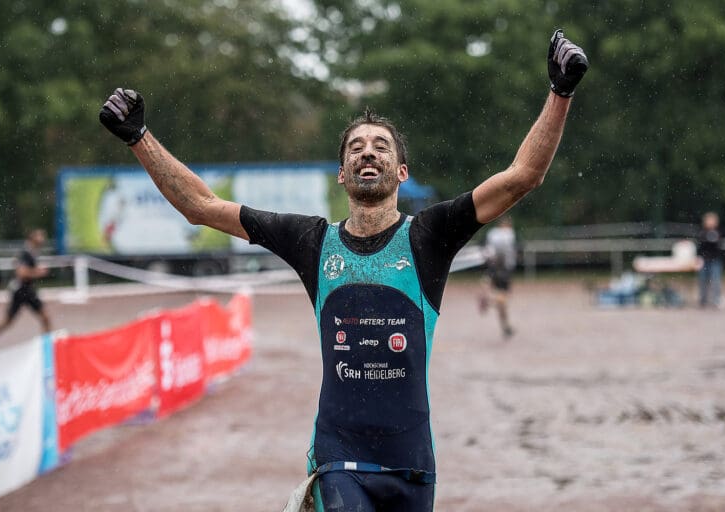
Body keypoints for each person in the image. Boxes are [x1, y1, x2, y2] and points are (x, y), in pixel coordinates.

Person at [99, 29, 588, 512]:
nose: (368, 152)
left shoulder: (430, 235)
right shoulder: (311, 241)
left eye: (380, 146)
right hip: (339, 460)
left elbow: (522, 177)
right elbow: (202, 207)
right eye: (355, 147)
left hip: (413, 465)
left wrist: (560, 92)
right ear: (342, 173)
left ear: (400, 171)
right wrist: (140, 138)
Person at [0, 228, 52, 354]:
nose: (42, 239)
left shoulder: (30, 252)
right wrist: (38, 272)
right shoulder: (26, 253)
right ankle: (47, 348)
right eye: (40, 236)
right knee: (44, 318)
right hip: (23, 290)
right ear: (32, 237)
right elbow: (21, 273)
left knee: (11, 321)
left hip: (24, 290)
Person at [478, 216, 517, 338]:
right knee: (502, 301)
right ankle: (487, 300)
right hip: (501, 270)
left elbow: (483, 246)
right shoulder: (508, 235)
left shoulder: (493, 234)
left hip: (498, 269)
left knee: (501, 304)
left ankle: (488, 301)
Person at [697, 211, 724, 308]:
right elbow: (701, 247)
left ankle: (716, 299)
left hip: (715, 260)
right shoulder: (702, 232)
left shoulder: (718, 232)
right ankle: (703, 300)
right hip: (704, 260)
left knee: (715, 280)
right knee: (702, 281)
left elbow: (716, 246)